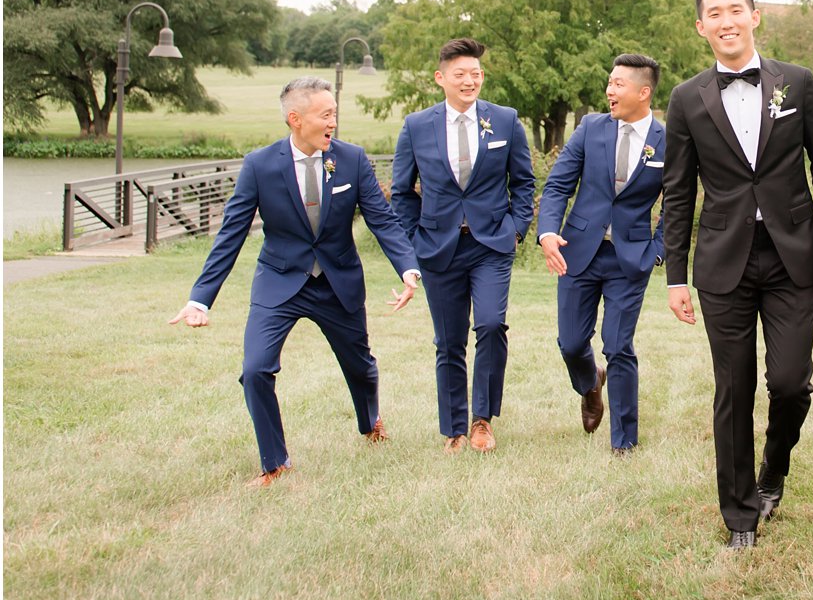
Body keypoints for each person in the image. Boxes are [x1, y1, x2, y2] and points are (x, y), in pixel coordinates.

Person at [662, 0, 813, 550]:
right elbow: (678, 192)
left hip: (794, 257)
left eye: (735, 10)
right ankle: (740, 514)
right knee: (733, 387)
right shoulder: (686, 98)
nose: (726, 22)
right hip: (723, 264)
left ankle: (774, 470)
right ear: (701, 27)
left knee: (791, 384)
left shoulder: (797, 83)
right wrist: (675, 275)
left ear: (754, 16)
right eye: (714, 13)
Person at [169, 76, 419, 487]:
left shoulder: (353, 160)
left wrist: (407, 267)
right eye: (325, 115)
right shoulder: (260, 166)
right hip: (280, 281)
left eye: (334, 114)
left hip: (338, 281)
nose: (332, 123)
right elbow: (230, 234)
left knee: (361, 368)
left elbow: (383, 219)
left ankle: (370, 420)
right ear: (295, 118)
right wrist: (200, 299)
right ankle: (275, 463)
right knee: (254, 370)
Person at [390, 38, 536, 454]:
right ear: (441, 79)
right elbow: (402, 192)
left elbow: (524, 182)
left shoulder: (505, 121)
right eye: (460, 75)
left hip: (491, 244)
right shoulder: (417, 126)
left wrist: (516, 228)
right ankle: (454, 427)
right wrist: (416, 238)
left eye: (476, 74)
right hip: (439, 247)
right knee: (449, 340)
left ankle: (482, 420)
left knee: (490, 325)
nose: (469, 81)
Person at [537, 53, 666, 455]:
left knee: (618, 345)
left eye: (618, 84)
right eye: (609, 83)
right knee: (571, 343)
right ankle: (590, 382)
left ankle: (624, 442)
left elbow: (677, 205)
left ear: (643, 92)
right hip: (578, 252)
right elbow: (558, 186)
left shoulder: (667, 141)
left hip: (630, 258)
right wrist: (546, 233)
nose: (609, 91)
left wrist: (657, 252)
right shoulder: (589, 129)